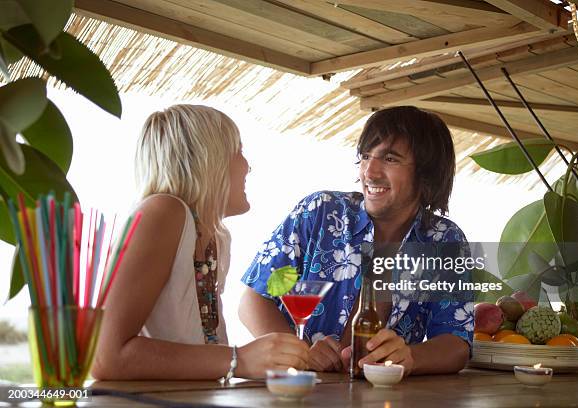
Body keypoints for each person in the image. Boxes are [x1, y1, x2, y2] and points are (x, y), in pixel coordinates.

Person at [239, 106, 473, 375]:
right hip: (296, 392)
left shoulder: (445, 241)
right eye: (365, 156)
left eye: (390, 159)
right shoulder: (319, 211)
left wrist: (410, 357)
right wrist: (299, 352)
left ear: (426, 173)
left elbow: (457, 343)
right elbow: (253, 300)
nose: (369, 172)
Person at [92, 105, 309, 381]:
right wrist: (238, 359)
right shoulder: (162, 212)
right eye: (238, 152)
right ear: (208, 159)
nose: (247, 166)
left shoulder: (215, 237)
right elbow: (102, 356)